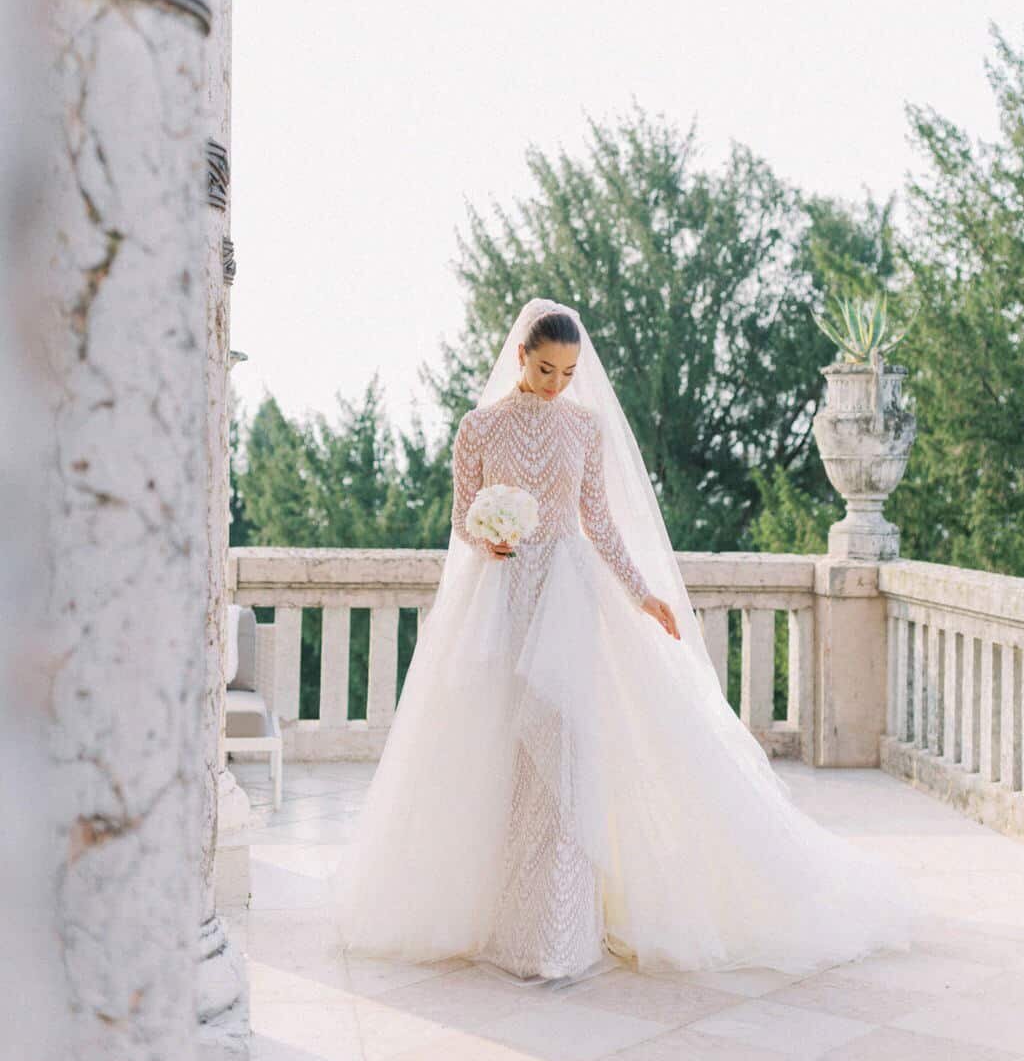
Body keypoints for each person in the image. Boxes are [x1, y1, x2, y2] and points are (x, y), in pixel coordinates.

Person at [329, 297, 920, 986]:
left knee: (566, 756)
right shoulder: (478, 427)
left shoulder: (583, 426)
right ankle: (502, 921)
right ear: (520, 355)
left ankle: (558, 934)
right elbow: (463, 514)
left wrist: (644, 595)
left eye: (569, 371)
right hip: (499, 600)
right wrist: (486, 535)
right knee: (502, 759)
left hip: (570, 602)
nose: (557, 383)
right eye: (546, 368)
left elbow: (600, 522)